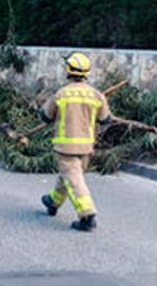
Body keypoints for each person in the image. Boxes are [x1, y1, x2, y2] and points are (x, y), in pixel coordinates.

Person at [40, 52, 112, 232]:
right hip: (87, 147)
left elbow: (46, 116)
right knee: (71, 176)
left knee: (74, 179)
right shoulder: (96, 95)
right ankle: (53, 201)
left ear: (68, 71)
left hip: (66, 146)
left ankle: (87, 215)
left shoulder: (61, 94)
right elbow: (105, 119)